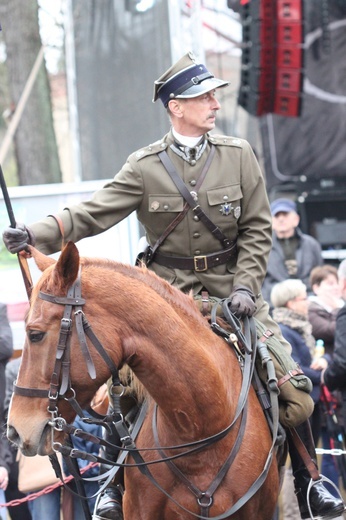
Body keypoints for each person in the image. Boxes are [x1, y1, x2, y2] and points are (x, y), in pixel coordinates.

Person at [2, 52, 344, 520]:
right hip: (164, 303)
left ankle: (310, 483)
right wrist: (36, 233)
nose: (213, 104)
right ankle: (115, 483)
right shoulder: (145, 166)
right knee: (121, 389)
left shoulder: (238, 155)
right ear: (175, 107)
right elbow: (93, 213)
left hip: (233, 298)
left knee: (294, 389)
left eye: (212, 95)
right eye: (202, 96)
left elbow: (259, 228)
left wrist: (246, 286)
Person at [271, 279, 332, 520]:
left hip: (312, 402)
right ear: (290, 302)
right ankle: (297, 514)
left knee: (307, 460)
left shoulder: (299, 327)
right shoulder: (283, 330)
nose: (307, 302)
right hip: (299, 403)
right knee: (297, 463)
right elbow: (295, 371)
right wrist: (322, 372)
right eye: (302, 298)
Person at [308, 265, 345, 494]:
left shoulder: (342, 312)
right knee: (330, 453)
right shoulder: (316, 312)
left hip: (335, 388)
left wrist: (327, 378)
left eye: (335, 282)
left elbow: (342, 362)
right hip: (326, 401)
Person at [261, 198, 323, 306]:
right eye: (277, 216)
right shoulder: (263, 246)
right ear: (271, 221)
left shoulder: (311, 244)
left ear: (296, 219)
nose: (281, 219)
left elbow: (319, 275)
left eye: (285, 215)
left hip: (308, 300)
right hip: (274, 302)